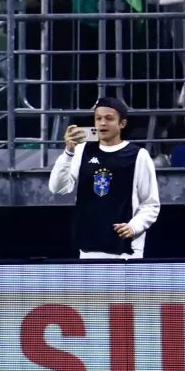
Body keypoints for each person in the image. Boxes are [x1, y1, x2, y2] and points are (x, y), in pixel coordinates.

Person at [48, 96, 160, 259]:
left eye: (109, 118)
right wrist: (68, 152)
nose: (102, 123)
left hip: (125, 251)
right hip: (88, 248)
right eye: (98, 118)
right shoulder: (82, 150)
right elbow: (57, 188)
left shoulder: (138, 155)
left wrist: (134, 227)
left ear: (122, 123)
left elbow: (150, 204)